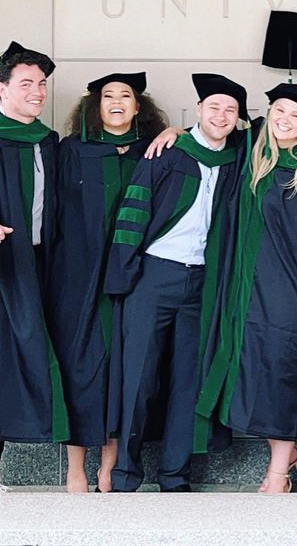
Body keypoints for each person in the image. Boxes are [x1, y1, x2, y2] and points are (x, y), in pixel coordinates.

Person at [103, 73, 248, 492]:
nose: (221, 115)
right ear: (198, 111)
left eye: (230, 110)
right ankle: (126, 473)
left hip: (202, 283)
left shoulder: (237, 157)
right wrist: (125, 274)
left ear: (238, 120)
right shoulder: (167, 153)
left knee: (190, 379)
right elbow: (133, 211)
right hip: (154, 276)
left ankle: (175, 474)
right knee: (139, 377)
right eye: (213, 107)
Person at [196, 83, 297, 494]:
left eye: (295, 115)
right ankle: (289, 452)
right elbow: (212, 129)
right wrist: (171, 131)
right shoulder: (255, 158)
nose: (284, 120)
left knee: (282, 376)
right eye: (278, 110)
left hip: (291, 295)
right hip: (247, 292)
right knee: (250, 376)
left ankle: (278, 473)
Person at [48, 72, 167, 493]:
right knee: (79, 365)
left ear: (139, 107)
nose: (116, 101)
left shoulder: (154, 153)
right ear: (94, 107)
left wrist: (172, 131)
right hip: (76, 275)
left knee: (125, 366)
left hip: (131, 273)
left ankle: (111, 465)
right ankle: (76, 465)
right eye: (107, 96)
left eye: (126, 95)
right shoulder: (70, 151)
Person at [0, 41, 69, 453]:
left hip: (37, 264)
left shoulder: (47, 140)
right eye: (26, 83)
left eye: (42, 83)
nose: (38, 92)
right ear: (2, 89)